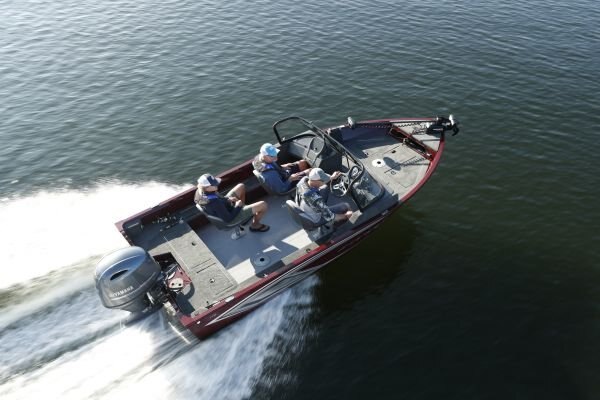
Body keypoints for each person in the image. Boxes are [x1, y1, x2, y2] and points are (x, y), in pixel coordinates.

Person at [195, 174, 270, 232]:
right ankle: (255, 225)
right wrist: (238, 206)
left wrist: (227, 199)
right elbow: (228, 219)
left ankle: (245, 216)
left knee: (241, 186)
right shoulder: (214, 202)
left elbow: (218, 198)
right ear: (207, 187)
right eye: (214, 184)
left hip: (224, 208)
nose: (217, 184)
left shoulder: (200, 191)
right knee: (263, 205)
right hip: (230, 219)